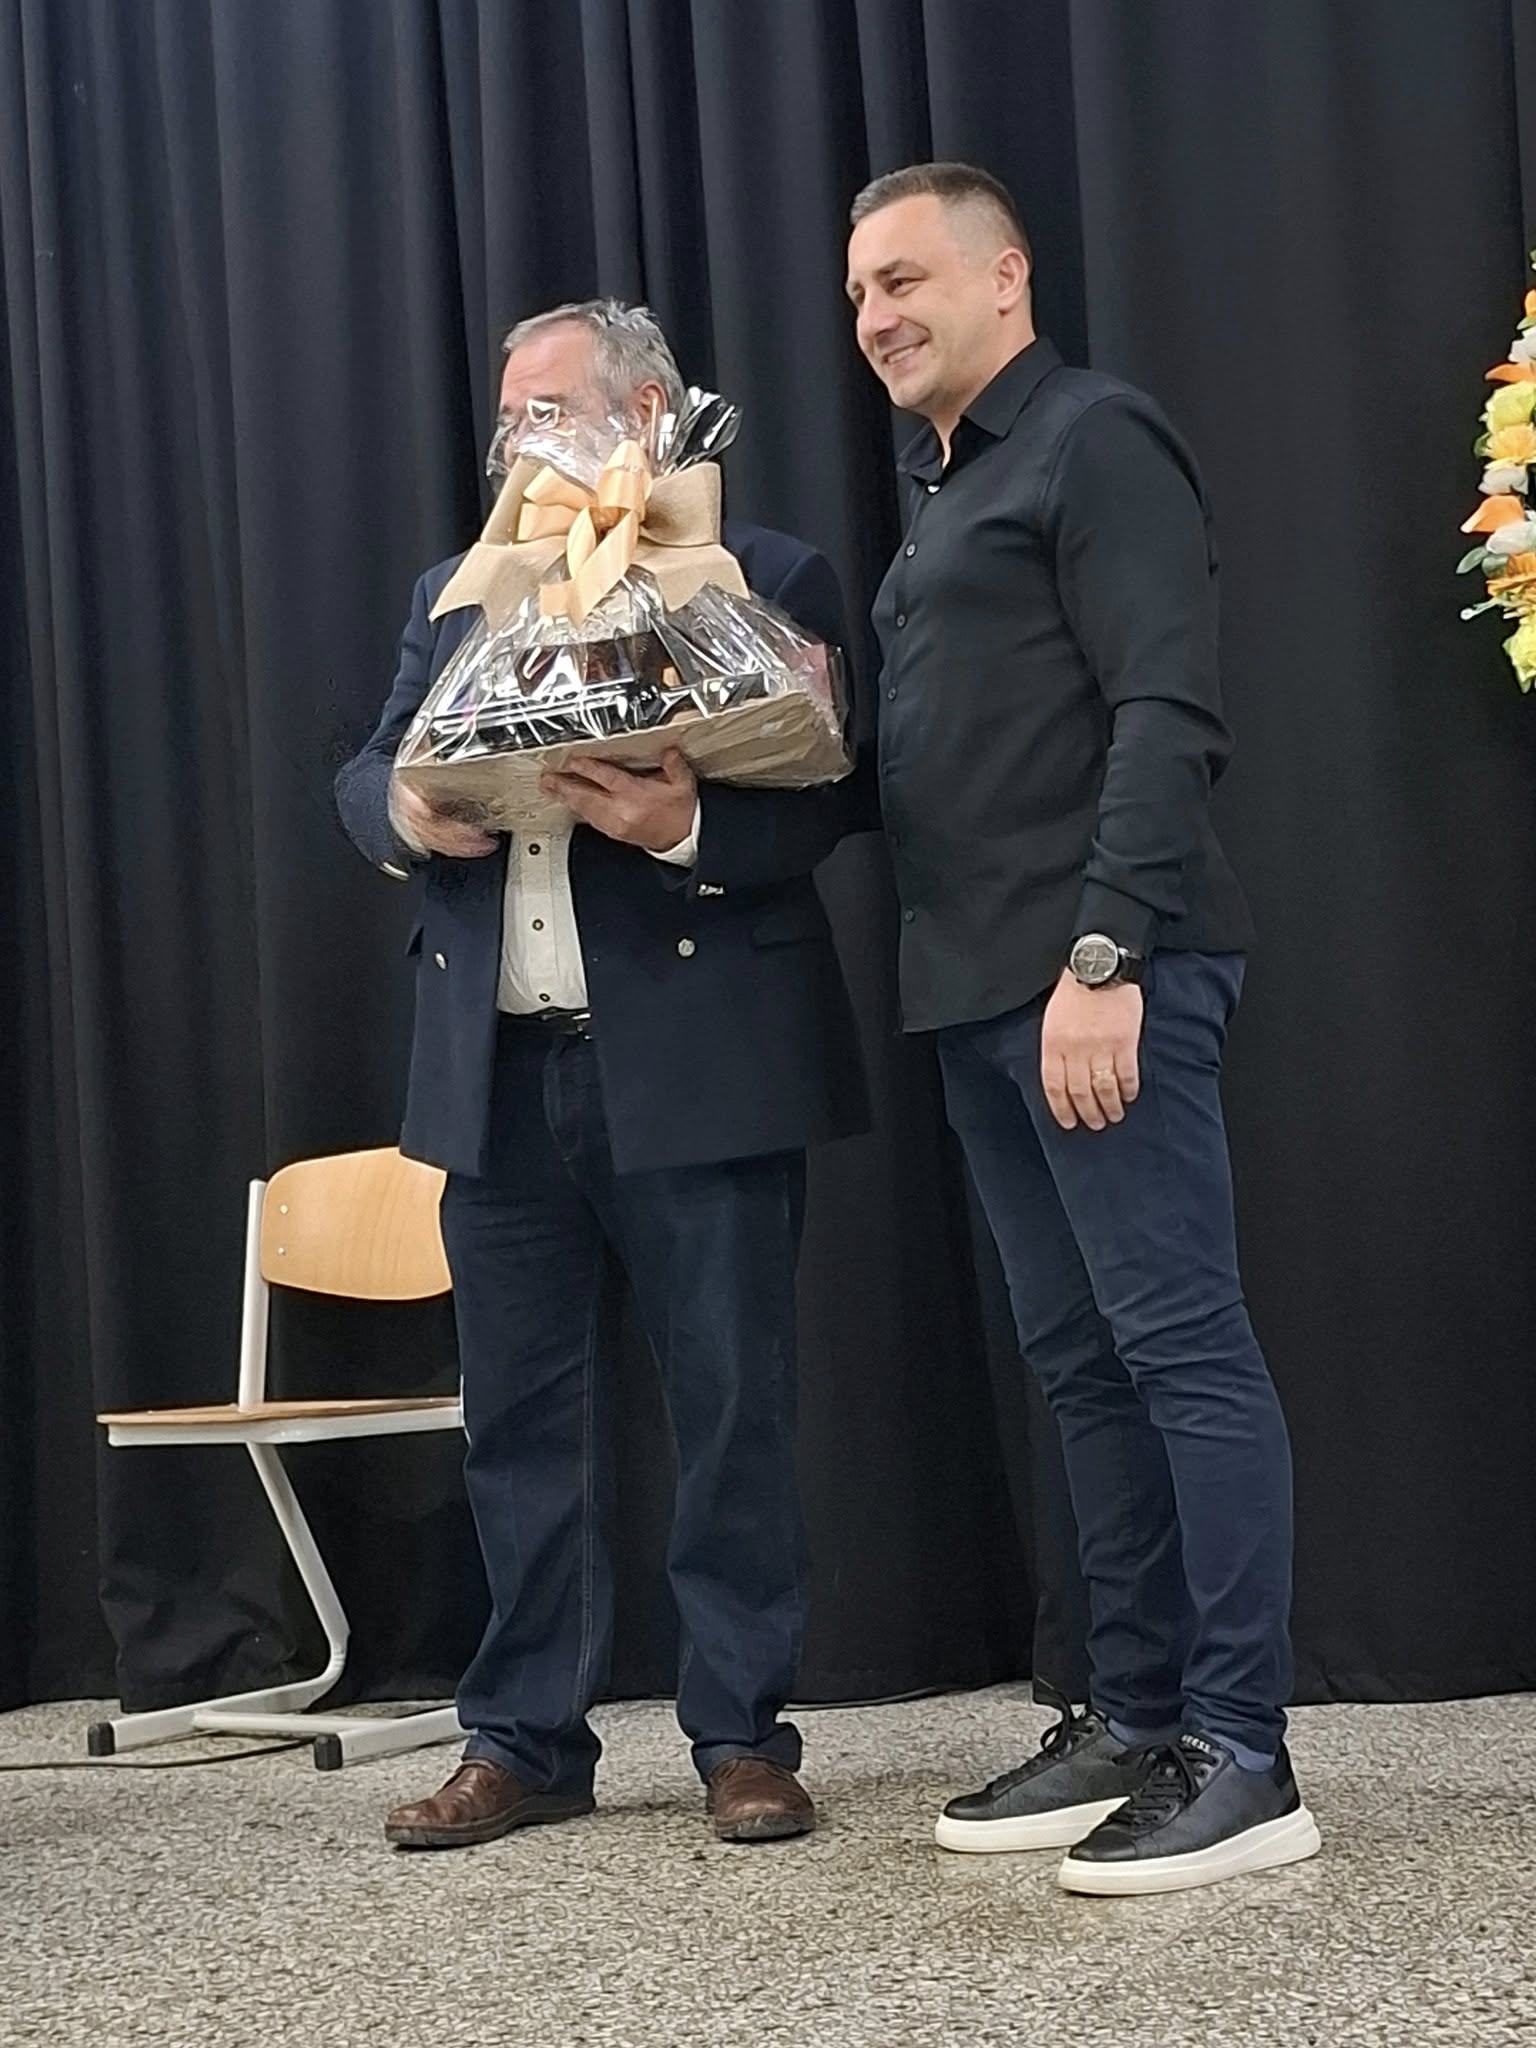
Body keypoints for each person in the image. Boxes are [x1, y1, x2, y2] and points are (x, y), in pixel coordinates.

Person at [844, 162, 1320, 1896]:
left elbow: (1168, 708)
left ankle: (1245, 1753)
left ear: (1007, 278)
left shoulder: (1093, 439)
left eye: (905, 280)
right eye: (860, 296)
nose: (877, 317)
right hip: (979, 991)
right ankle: (1130, 1715)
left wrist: (1106, 954)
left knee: (1179, 1349)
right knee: (1082, 1365)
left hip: (1103, 976)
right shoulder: (943, 490)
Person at [336, 299, 867, 1850]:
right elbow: (365, 766)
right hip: (499, 1075)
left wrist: (681, 826)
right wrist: (406, 815)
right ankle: (523, 1743)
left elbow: (836, 793)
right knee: (517, 1426)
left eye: (548, 408)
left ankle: (741, 1736)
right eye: (509, 415)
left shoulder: (757, 571)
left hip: (699, 1061)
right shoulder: (459, 589)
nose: (518, 438)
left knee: (731, 1407)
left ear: (644, 414)